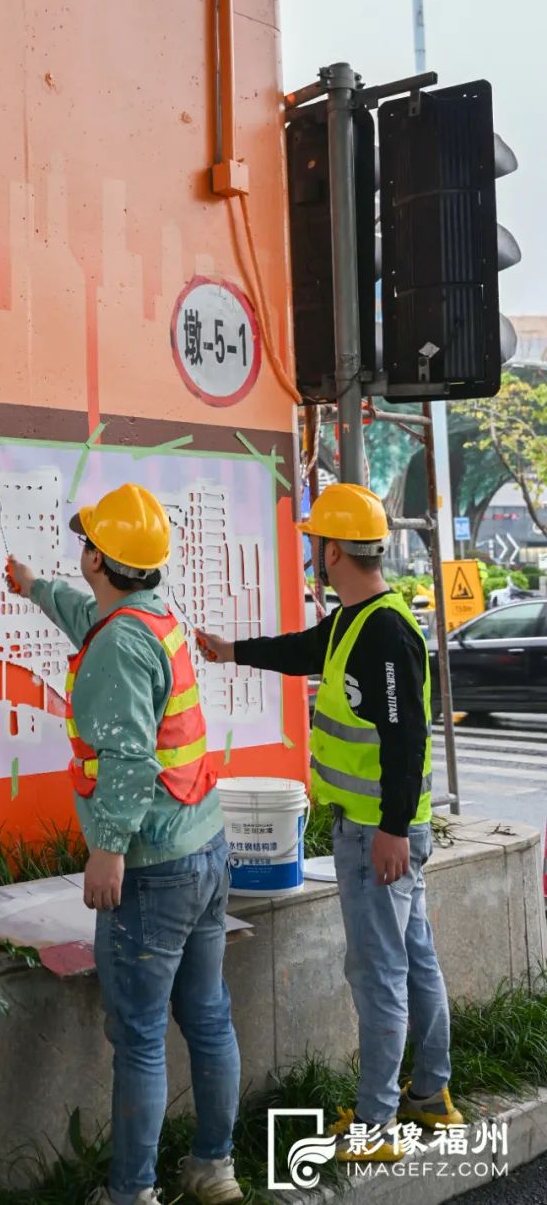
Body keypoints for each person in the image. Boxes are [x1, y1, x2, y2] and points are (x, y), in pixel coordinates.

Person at [198, 482, 462, 1163]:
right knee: (414, 961)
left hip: (381, 836)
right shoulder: (354, 620)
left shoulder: (387, 631)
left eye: (318, 541)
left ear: (336, 549)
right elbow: (306, 650)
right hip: (381, 830)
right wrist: (232, 652)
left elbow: (406, 741)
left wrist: (394, 831)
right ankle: (429, 1095)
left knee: (378, 972)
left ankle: (377, 1126)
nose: (315, 550)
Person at [9, 483, 242, 1205]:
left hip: (153, 866)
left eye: (86, 543)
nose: (79, 552)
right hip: (205, 846)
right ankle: (214, 1170)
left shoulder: (117, 648)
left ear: (101, 560)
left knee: (140, 1035)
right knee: (207, 1014)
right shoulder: (152, 616)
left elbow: (130, 760)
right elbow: (89, 618)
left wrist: (107, 849)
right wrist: (33, 588)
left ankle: (132, 1193)